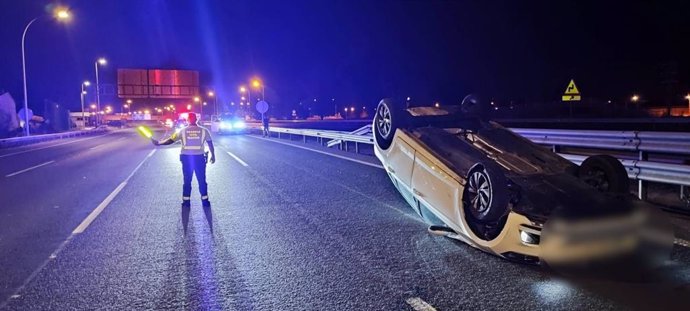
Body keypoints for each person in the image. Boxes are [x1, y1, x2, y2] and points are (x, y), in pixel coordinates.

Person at [152, 113, 216, 208]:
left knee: (187, 180)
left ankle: (186, 202)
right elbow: (210, 144)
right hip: (199, 158)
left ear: (187, 120)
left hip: (187, 159)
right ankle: (205, 201)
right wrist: (213, 155)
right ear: (196, 119)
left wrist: (159, 143)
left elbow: (170, 140)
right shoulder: (204, 131)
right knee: (202, 180)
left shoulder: (182, 131)